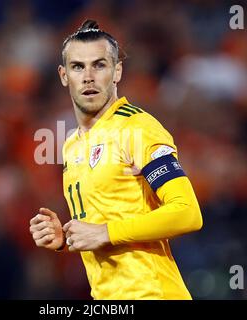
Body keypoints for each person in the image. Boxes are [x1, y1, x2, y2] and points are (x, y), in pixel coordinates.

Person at [29, 19, 203, 300]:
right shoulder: (72, 145)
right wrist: (66, 239)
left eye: (99, 65)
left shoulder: (137, 129)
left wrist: (106, 232)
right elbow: (102, 225)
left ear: (117, 71)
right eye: (78, 67)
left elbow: (187, 212)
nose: (88, 76)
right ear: (63, 76)